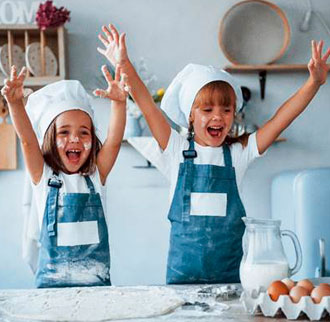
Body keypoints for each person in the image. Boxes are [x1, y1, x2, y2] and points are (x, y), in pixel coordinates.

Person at [98, 24, 330, 284]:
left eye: (226, 109)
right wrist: (125, 64)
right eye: (207, 109)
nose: (218, 116)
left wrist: (313, 83)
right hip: (181, 283)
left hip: (230, 282)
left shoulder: (239, 153)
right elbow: (146, 104)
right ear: (190, 115)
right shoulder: (175, 150)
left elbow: (281, 119)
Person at [1, 64, 128, 287]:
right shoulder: (44, 177)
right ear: (50, 138)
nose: (75, 139)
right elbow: (28, 140)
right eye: (64, 132)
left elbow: (114, 141)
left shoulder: (97, 176)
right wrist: (14, 103)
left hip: (97, 290)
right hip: (52, 289)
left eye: (84, 132)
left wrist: (119, 103)